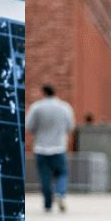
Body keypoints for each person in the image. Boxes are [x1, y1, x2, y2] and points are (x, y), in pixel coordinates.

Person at [25, 84, 74, 212]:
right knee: (62, 173)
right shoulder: (64, 108)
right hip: (59, 147)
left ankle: (47, 204)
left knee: (45, 177)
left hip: (41, 148)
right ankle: (60, 194)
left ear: (44, 93)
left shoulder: (37, 107)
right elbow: (70, 126)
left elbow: (29, 126)